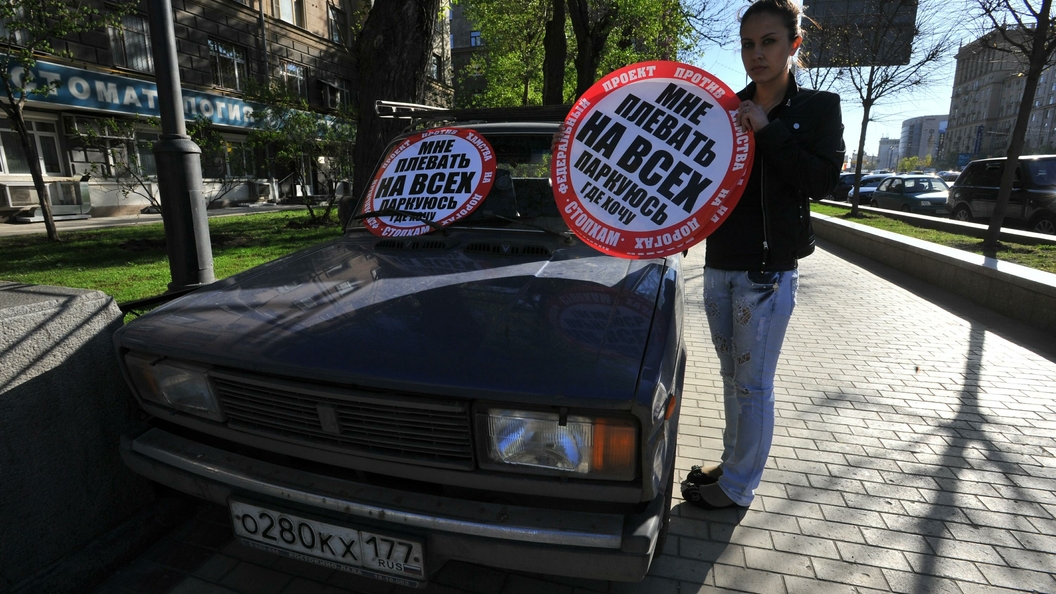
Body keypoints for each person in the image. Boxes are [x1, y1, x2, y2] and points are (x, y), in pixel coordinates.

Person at [680, 0, 845, 510]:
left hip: (768, 275)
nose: (757, 53)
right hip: (719, 266)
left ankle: (738, 487)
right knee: (733, 380)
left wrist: (768, 131)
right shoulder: (723, 109)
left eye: (769, 41)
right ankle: (733, 466)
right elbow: (699, 180)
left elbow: (822, 181)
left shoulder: (819, 108)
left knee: (753, 386)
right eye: (748, 44)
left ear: (794, 45)